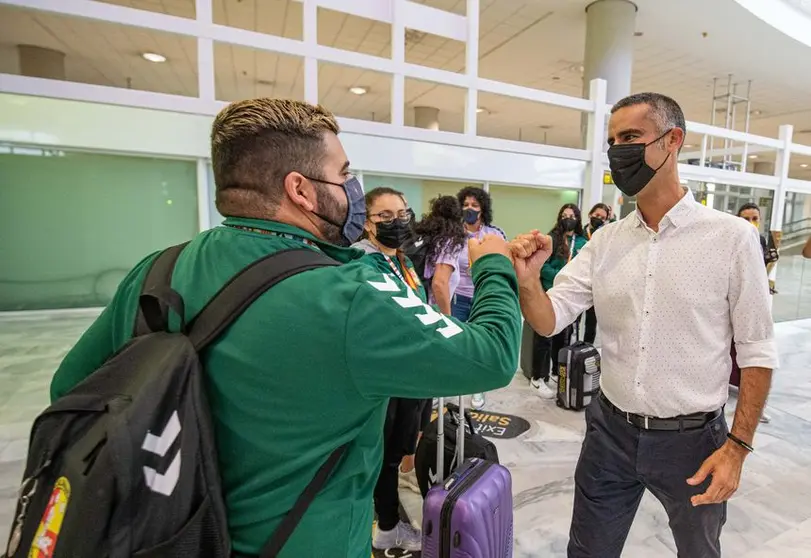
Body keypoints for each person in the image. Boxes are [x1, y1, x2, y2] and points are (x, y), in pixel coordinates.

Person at [49, 98, 523, 558]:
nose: (351, 190)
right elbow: (493, 355)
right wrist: (494, 266)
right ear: (300, 189)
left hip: (171, 536)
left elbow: (72, 391)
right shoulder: (351, 292)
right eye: (343, 175)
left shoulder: (157, 271)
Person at [511, 92, 777, 558]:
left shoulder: (732, 238)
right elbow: (549, 320)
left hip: (694, 443)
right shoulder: (605, 241)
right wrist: (529, 282)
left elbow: (757, 350)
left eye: (631, 137)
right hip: (609, 432)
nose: (618, 151)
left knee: (699, 551)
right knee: (587, 551)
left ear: (672, 141)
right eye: (613, 140)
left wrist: (737, 447)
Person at [351, 187, 427, 552]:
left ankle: (389, 518)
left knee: (396, 451)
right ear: (367, 225)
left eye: (402, 213)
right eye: (385, 216)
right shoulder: (365, 264)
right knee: (382, 453)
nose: (397, 221)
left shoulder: (403, 261)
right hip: (386, 375)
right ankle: (387, 526)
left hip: (410, 371)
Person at [456, 186, 508, 409]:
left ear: (483, 209)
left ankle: (478, 387)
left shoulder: (495, 234)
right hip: (458, 296)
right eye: (466, 205)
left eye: (474, 205)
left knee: (481, 345)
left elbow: (504, 262)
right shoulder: (454, 234)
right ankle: (456, 382)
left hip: (482, 297)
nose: (470, 209)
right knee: (457, 341)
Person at [530, 204, 587, 400]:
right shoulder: (551, 238)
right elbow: (542, 268)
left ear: (578, 219)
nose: (568, 219)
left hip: (570, 298)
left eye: (572, 216)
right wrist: (560, 276)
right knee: (543, 337)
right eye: (564, 215)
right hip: (549, 294)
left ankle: (555, 372)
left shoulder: (581, 241)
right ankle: (538, 377)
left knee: (562, 339)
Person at [732, 203, 777, 424]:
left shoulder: (760, 240)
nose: (751, 222)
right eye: (746, 218)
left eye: (754, 218)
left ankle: (754, 409)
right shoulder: (732, 239)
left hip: (755, 304)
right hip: (733, 307)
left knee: (757, 353)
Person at [415, 195, 467, 316]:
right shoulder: (449, 242)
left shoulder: (424, 235)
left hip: (416, 306)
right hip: (432, 314)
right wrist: (447, 319)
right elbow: (439, 283)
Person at [582, 203, 611, 345]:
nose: (598, 219)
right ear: (590, 214)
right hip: (580, 283)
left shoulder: (604, 238)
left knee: (591, 324)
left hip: (596, 286)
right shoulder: (579, 235)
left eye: (602, 217)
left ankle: (587, 349)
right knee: (570, 323)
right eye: (596, 215)